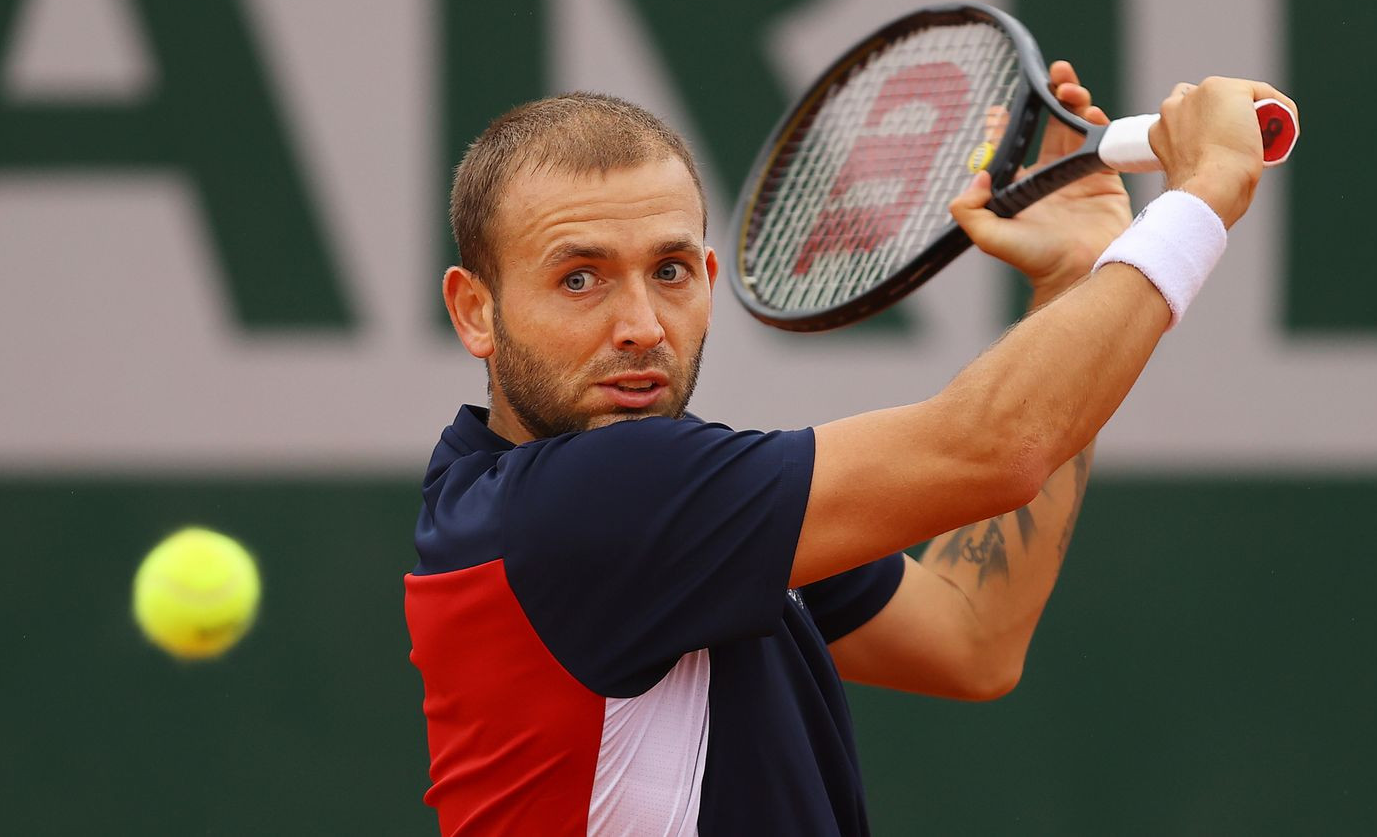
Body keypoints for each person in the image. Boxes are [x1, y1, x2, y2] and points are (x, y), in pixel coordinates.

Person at [404, 63, 1294, 836]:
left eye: (670, 271)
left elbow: (967, 634)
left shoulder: (665, 523)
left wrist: (1071, 277)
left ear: (707, 281)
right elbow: (997, 445)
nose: (640, 327)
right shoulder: (589, 507)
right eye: (579, 277)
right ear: (475, 310)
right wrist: (1202, 191)